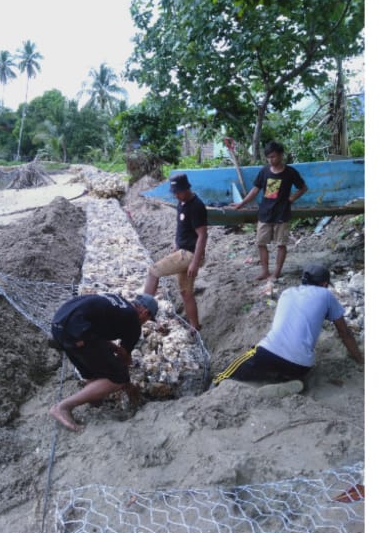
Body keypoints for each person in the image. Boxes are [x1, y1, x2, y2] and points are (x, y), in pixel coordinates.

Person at [214, 263, 363, 386]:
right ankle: (285, 381)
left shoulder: (287, 292)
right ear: (324, 284)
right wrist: (359, 359)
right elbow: (345, 333)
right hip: (301, 366)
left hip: (268, 354)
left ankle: (215, 384)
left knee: (227, 373)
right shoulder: (326, 295)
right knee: (282, 368)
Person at [48, 292, 159, 431]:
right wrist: (127, 383)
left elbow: (99, 334)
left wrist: (112, 347)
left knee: (93, 372)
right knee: (117, 379)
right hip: (78, 332)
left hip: (59, 325)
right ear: (145, 312)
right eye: (148, 319)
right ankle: (63, 407)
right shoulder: (133, 321)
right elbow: (123, 358)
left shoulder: (118, 301)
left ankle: (95, 400)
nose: (145, 323)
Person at [226, 140, 307, 283]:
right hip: (265, 213)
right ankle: (265, 271)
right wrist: (241, 204)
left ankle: (276, 273)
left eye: (274, 157)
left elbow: (303, 188)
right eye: (269, 157)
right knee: (261, 243)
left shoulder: (290, 172)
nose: (271, 160)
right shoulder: (264, 171)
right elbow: (255, 190)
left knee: (281, 244)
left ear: (281, 155)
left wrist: (292, 198)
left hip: (282, 213)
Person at [143, 173, 207, 330]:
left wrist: (194, 261)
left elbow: (202, 235)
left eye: (178, 192)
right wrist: (176, 243)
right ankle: (195, 326)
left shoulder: (196, 206)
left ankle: (141, 310)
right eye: (174, 193)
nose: (176, 195)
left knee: (153, 272)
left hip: (189, 254)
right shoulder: (182, 203)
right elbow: (182, 229)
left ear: (187, 188)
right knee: (186, 293)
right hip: (182, 251)